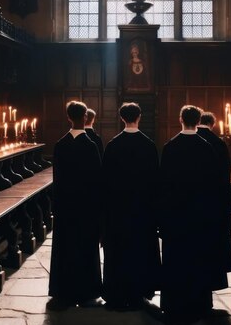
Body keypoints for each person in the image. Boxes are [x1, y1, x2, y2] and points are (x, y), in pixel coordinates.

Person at [158, 105, 223, 325]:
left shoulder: (170, 147)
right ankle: (199, 304)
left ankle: (174, 303)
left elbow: (163, 186)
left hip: (176, 217)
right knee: (198, 259)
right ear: (198, 121)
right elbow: (213, 187)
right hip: (199, 217)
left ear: (180, 119)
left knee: (176, 260)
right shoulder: (206, 148)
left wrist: (163, 218)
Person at [101, 102, 161, 310]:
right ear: (139, 117)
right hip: (142, 210)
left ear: (121, 118)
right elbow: (155, 181)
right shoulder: (149, 145)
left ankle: (117, 290)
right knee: (140, 249)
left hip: (118, 210)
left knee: (119, 250)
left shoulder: (113, 145)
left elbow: (105, 182)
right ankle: (139, 290)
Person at [47, 100, 104, 309]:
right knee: (86, 248)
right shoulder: (90, 146)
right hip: (86, 208)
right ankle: (86, 291)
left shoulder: (60, 145)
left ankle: (63, 290)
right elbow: (97, 181)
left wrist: (56, 207)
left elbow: (57, 179)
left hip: (65, 207)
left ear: (68, 117)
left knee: (65, 248)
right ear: (86, 118)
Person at [196, 111, 231, 288]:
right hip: (214, 204)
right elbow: (225, 176)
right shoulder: (219, 143)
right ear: (213, 124)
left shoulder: (186, 140)